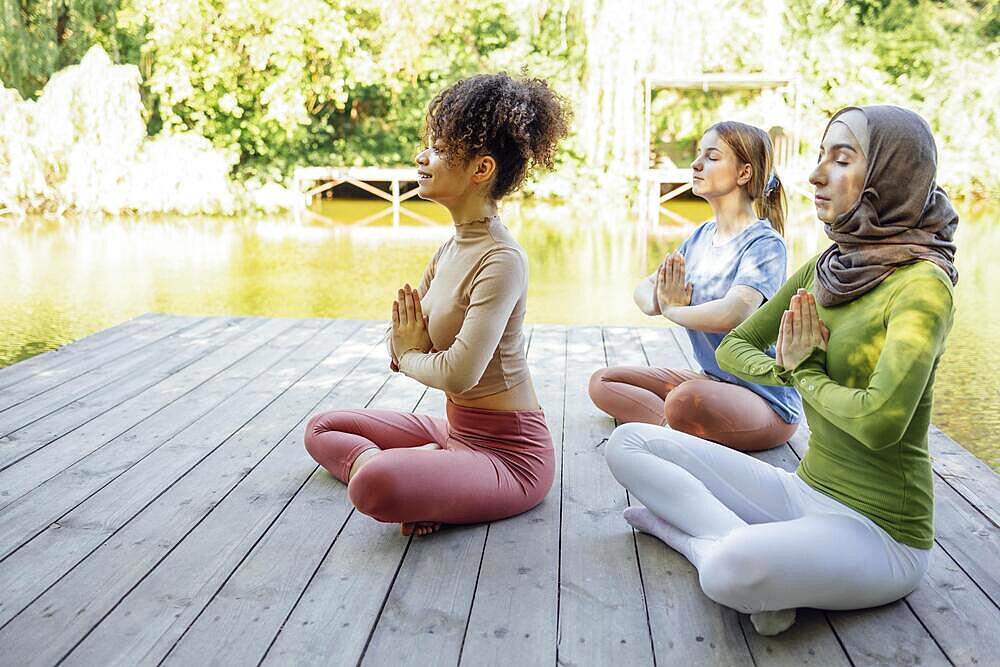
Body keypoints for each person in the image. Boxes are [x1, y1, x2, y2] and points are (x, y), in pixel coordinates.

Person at [605, 105, 958, 635]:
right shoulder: (831, 266)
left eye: (841, 160)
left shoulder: (922, 285)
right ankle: (749, 556)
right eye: (820, 157)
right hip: (805, 490)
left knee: (727, 570)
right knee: (627, 445)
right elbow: (734, 349)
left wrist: (806, 369)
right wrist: (791, 369)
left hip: (882, 534)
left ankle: (687, 538)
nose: (816, 174)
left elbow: (880, 423)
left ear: (891, 174)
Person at [304, 73, 570, 536]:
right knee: (323, 428)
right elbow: (398, 342)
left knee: (371, 484)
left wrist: (410, 355)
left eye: (439, 150)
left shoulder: (501, 259)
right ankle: (424, 473)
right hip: (453, 432)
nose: (421, 157)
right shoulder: (450, 249)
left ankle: (414, 475)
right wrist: (408, 352)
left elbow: (456, 373)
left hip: (509, 456)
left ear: (480, 169)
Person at [589, 121, 801, 451]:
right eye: (698, 154)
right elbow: (644, 293)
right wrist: (661, 300)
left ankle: (677, 425)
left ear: (744, 173)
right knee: (604, 382)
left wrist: (673, 309)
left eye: (712, 156)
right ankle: (674, 428)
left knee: (685, 400)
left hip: (763, 400)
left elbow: (735, 312)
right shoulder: (702, 236)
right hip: (713, 384)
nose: (696, 164)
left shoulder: (765, 244)